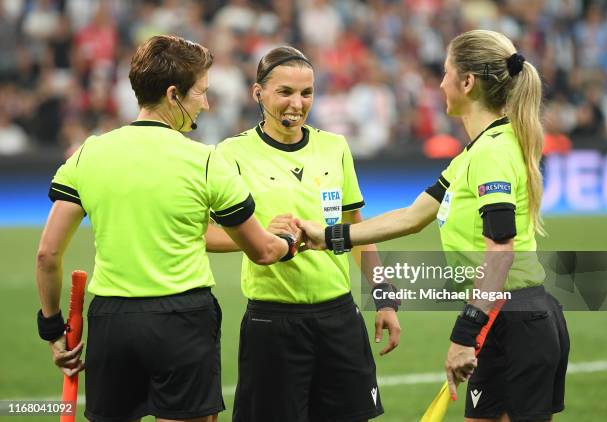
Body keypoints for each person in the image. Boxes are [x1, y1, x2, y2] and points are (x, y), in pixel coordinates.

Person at [298, 30, 570, 422]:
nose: (439, 83)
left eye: (445, 73)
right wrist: (328, 236)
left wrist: (464, 333)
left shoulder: (492, 154)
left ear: (467, 82)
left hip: (515, 320)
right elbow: (411, 217)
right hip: (502, 317)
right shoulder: (474, 154)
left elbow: (501, 250)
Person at [35, 35, 298, 422]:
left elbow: (47, 254)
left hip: (113, 322)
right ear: (174, 94)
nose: (205, 104)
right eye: (201, 93)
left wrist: (53, 329)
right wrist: (289, 241)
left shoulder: (89, 153)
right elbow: (262, 251)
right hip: (184, 321)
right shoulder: (204, 160)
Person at [205, 46, 401, 422]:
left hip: (340, 316)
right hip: (273, 322)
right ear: (257, 93)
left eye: (306, 93)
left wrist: (384, 297)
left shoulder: (335, 147)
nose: (297, 103)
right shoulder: (230, 155)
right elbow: (204, 234)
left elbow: (356, 228)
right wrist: (259, 237)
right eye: (285, 92)